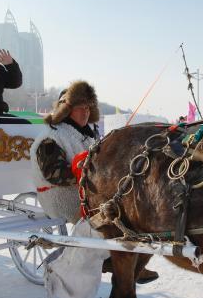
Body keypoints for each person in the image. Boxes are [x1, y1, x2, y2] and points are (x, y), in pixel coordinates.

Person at [31, 81, 159, 284]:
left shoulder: (89, 134)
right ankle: (113, 261)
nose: (86, 112)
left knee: (133, 210)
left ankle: (129, 261)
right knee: (111, 216)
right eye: (81, 107)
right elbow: (53, 175)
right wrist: (91, 172)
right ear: (67, 109)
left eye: (89, 108)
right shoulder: (51, 137)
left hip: (88, 192)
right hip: (62, 197)